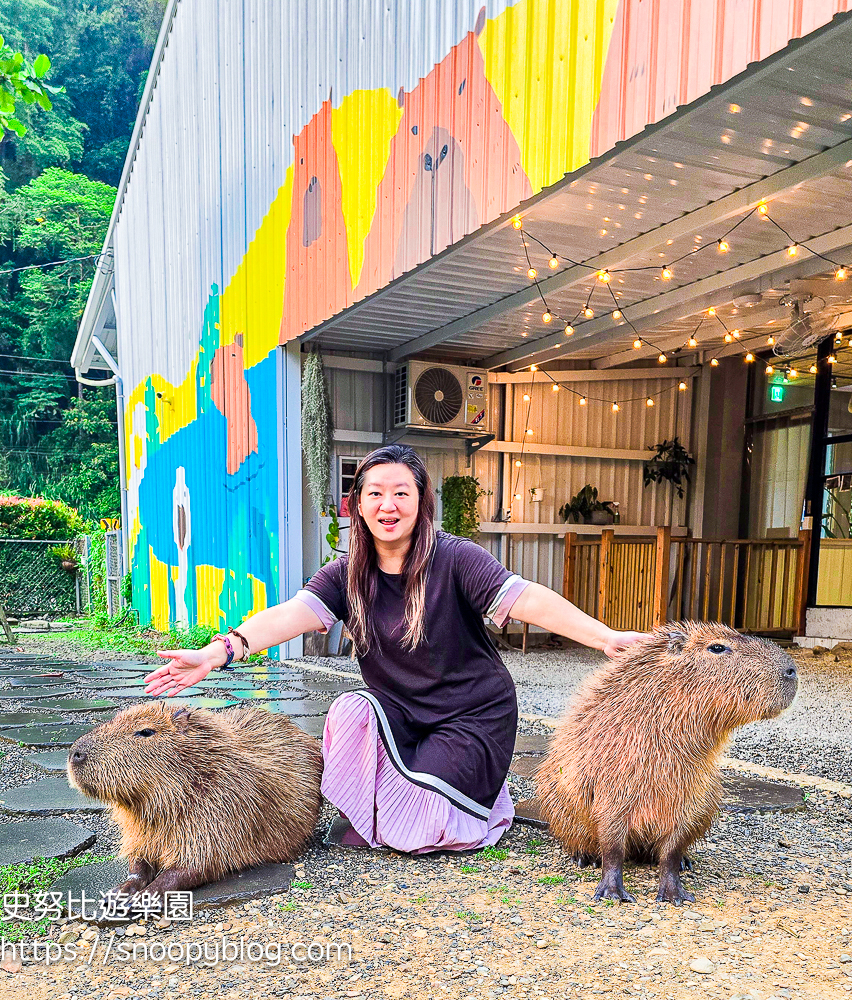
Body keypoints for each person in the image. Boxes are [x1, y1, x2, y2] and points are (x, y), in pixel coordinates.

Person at [146, 444, 646, 854]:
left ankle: (482, 800)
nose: (389, 506)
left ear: (421, 501)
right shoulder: (346, 574)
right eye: (376, 494)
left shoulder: (456, 558)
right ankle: (426, 797)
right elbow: (287, 615)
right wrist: (217, 653)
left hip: (471, 716)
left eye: (402, 493)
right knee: (350, 709)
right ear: (357, 505)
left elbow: (526, 597)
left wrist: (605, 638)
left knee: (423, 823)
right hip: (400, 715)